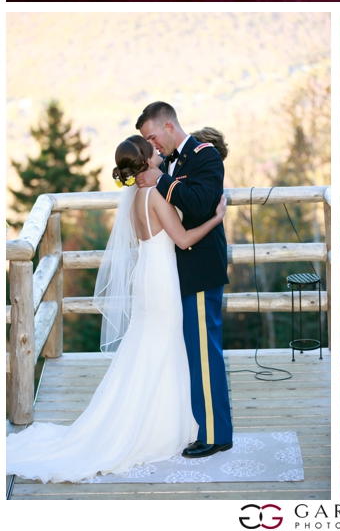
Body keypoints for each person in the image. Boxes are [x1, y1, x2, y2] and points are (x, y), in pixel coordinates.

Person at [6, 137, 226, 482]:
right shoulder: (153, 195)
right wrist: (217, 217)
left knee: (148, 346)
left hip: (147, 276)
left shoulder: (137, 197)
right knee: (162, 347)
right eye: (153, 150)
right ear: (147, 160)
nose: (160, 152)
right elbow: (183, 240)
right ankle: (156, 428)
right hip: (162, 281)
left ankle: (155, 421)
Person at [135, 101, 233, 458]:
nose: (152, 144)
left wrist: (161, 180)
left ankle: (216, 434)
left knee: (206, 355)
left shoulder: (205, 155)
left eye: (152, 136)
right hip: (182, 271)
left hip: (201, 269)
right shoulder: (176, 161)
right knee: (196, 352)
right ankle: (206, 426)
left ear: (169, 127)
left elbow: (199, 203)